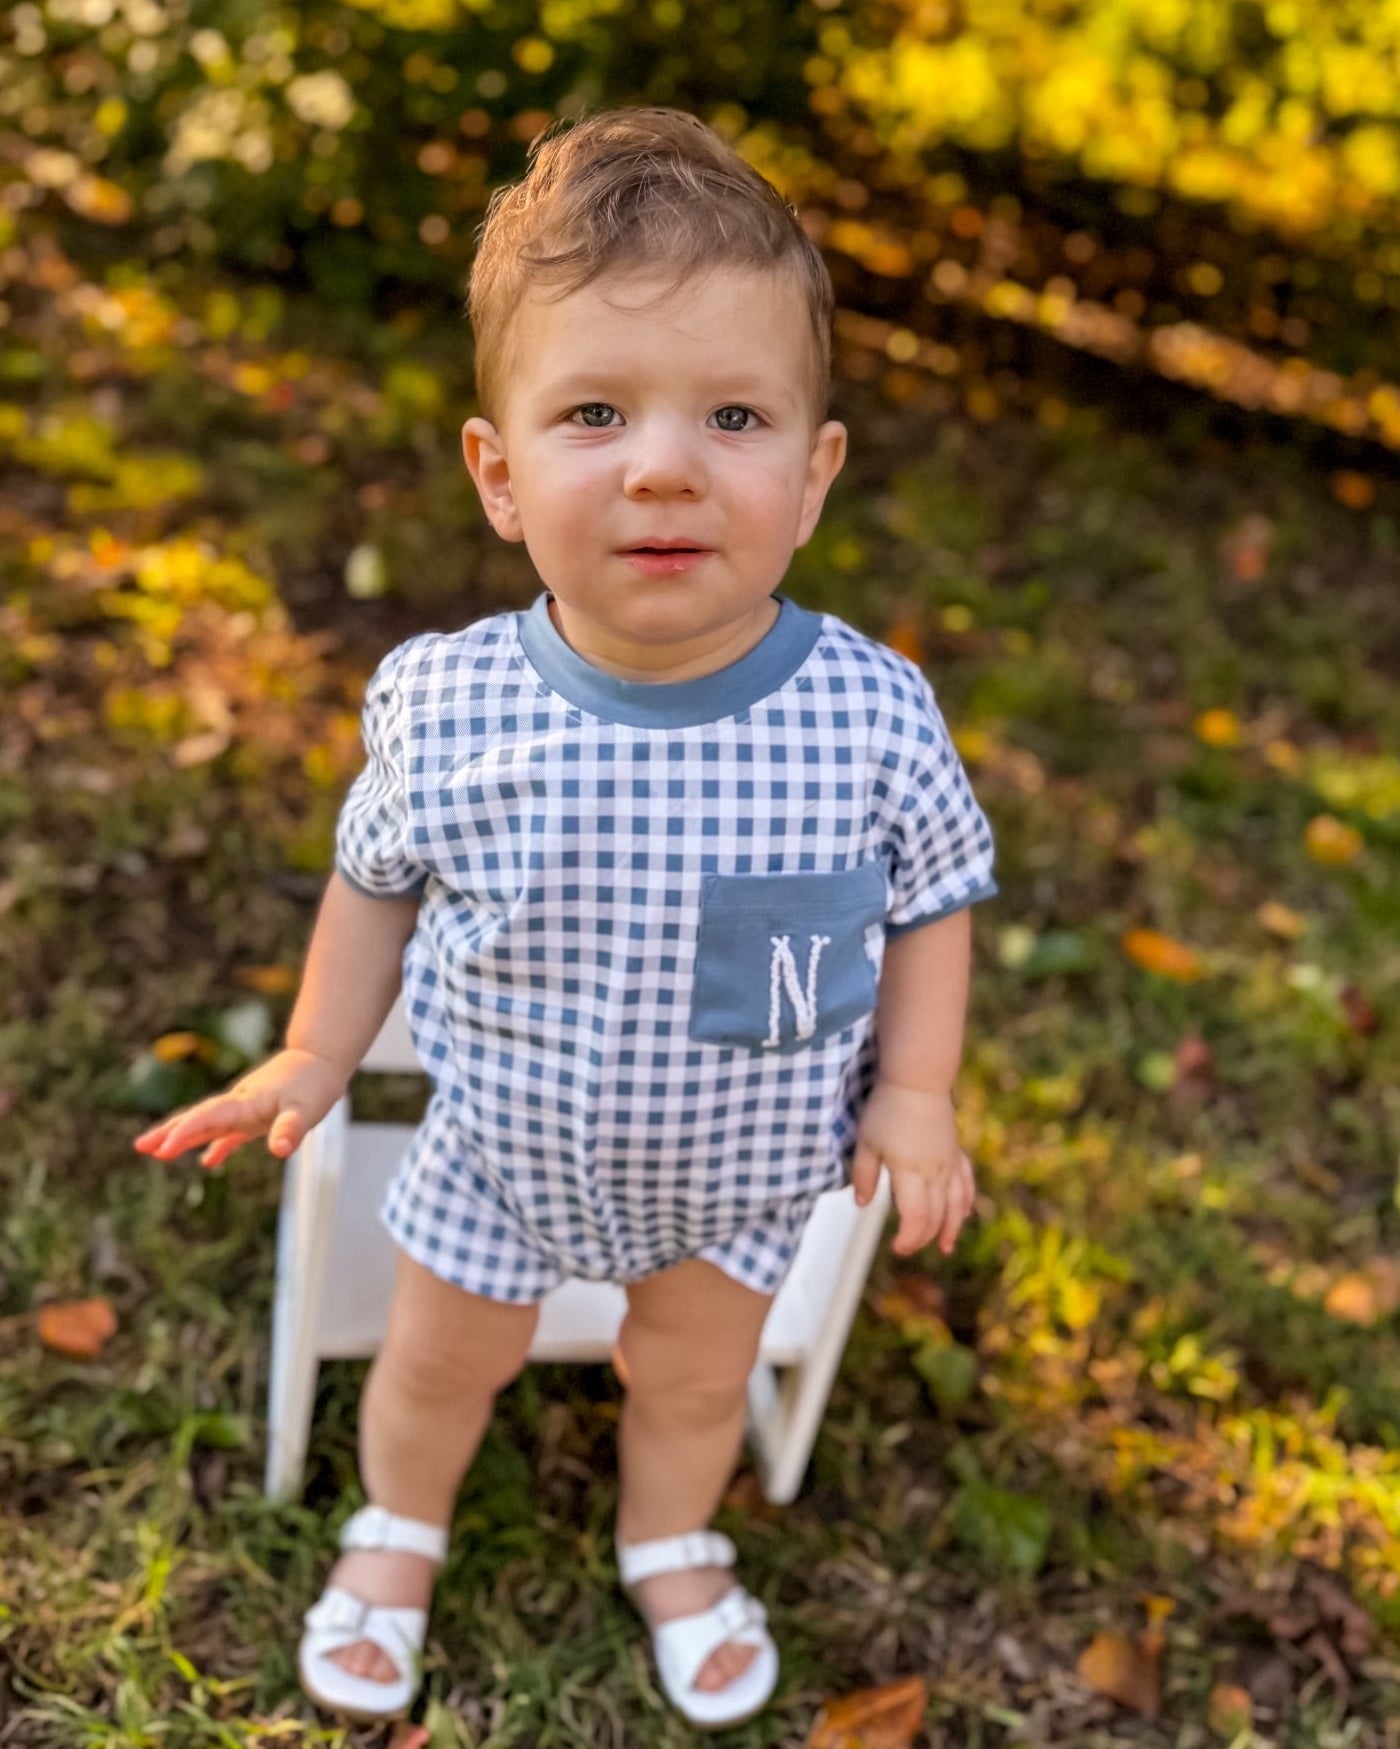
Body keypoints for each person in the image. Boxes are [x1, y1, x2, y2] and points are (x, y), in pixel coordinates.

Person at [133, 106, 997, 1731]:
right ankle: (398, 1529)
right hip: (499, 1153)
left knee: (687, 1379)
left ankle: (671, 1531)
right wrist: (316, 1057)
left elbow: (934, 897)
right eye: (594, 411)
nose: (665, 463)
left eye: (733, 414)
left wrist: (917, 1090)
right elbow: (375, 882)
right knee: (436, 1366)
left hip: (740, 1174)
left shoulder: (872, 716)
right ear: (500, 473)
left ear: (812, 475)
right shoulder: (453, 706)